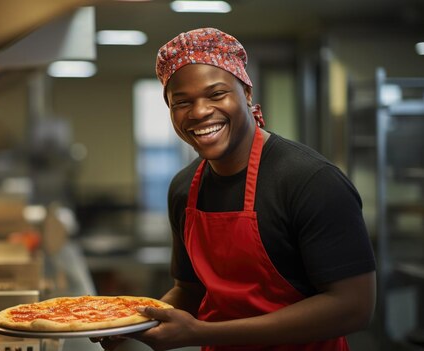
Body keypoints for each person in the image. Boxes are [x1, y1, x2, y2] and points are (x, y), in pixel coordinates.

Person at [96, 28, 377, 351]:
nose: (199, 111)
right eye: (182, 102)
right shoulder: (184, 188)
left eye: (216, 94)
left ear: (245, 93)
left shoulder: (311, 181)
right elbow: (189, 290)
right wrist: (134, 321)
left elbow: (354, 308)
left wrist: (202, 334)